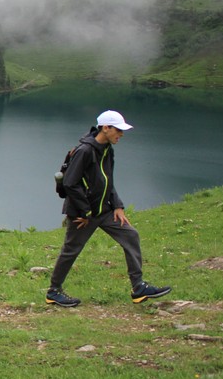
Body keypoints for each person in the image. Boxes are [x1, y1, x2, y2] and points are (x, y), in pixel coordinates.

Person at [46, 110, 172, 307]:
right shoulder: (85, 151)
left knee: (130, 235)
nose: (121, 135)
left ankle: (138, 287)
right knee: (71, 250)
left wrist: (118, 206)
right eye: (118, 130)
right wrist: (85, 212)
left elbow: (107, 181)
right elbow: (70, 183)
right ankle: (54, 291)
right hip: (83, 215)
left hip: (104, 211)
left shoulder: (107, 150)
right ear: (106, 128)